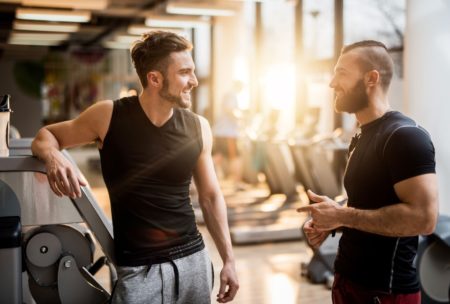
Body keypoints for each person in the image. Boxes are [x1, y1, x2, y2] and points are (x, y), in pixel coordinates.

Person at [31, 31, 239, 304]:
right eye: (185, 72)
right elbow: (46, 136)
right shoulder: (108, 116)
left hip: (194, 263)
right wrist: (54, 157)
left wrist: (228, 260)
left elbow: (211, 197)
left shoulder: (198, 127)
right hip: (140, 271)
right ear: (154, 79)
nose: (194, 81)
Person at [297, 40, 438, 304]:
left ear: (371, 78)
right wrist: (334, 216)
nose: (331, 83)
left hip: (386, 293)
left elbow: (423, 218)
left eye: (341, 73)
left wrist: (343, 215)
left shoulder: (405, 136)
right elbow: (368, 202)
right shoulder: (361, 134)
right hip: (348, 280)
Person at [212, 80, 244, 187]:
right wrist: (240, 117)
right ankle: (237, 183)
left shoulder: (228, 95)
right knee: (235, 157)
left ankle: (196, 179)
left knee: (218, 156)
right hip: (228, 133)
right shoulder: (231, 95)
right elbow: (230, 110)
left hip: (221, 131)